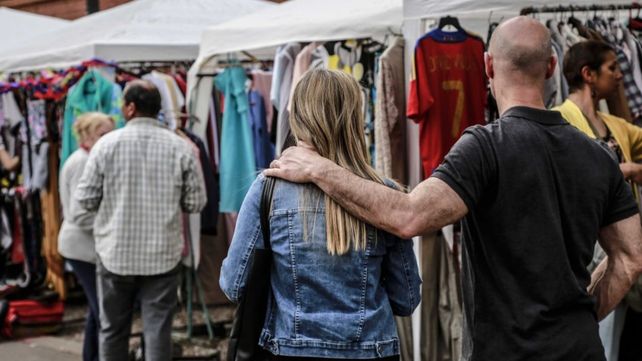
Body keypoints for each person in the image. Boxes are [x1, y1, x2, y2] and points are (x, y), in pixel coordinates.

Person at [265, 16, 642, 361]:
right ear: (551, 68)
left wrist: (322, 169)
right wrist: (582, 312)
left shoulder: (486, 148)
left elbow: (408, 215)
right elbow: (629, 258)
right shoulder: (599, 155)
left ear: (488, 67)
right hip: (580, 350)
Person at [220, 69, 421, 360]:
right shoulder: (385, 196)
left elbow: (234, 286)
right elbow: (407, 299)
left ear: (297, 116)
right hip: (371, 351)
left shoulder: (269, 190)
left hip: (289, 348)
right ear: (354, 118)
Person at [73, 80, 206, 361]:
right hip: (162, 255)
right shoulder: (180, 147)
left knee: (113, 331)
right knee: (158, 332)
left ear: (130, 108)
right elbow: (196, 202)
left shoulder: (105, 146)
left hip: (114, 255)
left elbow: (84, 200)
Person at [554, 40, 642, 361]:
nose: (620, 76)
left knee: (617, 341)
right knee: (594, 337)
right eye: (612, 68)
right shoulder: (559, 121)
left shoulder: (617, 127)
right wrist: (624, 170)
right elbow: (563, 179)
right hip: (584, 249)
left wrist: (632, 170)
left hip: (620, 245)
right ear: (588, 74)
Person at [58, 112, 114, 361]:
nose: (108, 138)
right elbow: (78, 214)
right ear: (88, 136)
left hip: (84, 246)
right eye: (103, 133)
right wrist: (112, 225)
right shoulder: (82, 162)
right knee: (102, 309)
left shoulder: (87, 158)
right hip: (81, 247)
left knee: (97, 308)